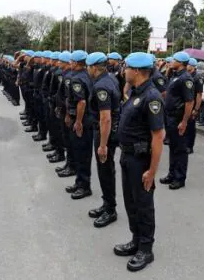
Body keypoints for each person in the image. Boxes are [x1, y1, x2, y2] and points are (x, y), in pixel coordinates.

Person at [115, 52, 164, 272]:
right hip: (127, 156)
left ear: (136, 71)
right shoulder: (136, 93)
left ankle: (146, 248)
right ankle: (136, 239)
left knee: (143, 204)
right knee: (130, 202)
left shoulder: (151, 97)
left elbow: (158, 136)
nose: (123, 71)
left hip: (140, 159)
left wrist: (152, 171)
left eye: (126, 68)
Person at [86, 52, 121, 228]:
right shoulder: (111, 78)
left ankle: (110, 210)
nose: (87, 70)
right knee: (105, 169)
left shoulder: (101, 86)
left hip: (104, 132)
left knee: (105, 170)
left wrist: (103, 145)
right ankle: (107, 203)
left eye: (88, 67)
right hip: (109, 131)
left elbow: (105, 118)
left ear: (93, 67)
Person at [159, 52, 194, 190]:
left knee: (180, 149)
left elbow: (189, 102)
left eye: (174, 60)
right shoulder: (175, 75)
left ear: (181, 62)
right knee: (173, 147)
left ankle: (179, 178)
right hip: (170, 117)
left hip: (179, 118)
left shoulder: (186, 78)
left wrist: (184, 121)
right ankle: (172, 174)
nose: (171, 61)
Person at [65, 50, 94, 200]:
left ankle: (84, 186)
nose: (70, 64)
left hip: (82, 120)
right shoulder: (87, 75)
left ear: (76, 63)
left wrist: (78, 121)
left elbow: (81, 101)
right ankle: (80, 182)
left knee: (82, 154)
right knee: (81, 153)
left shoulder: (76, 79)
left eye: (71, 61)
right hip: (88, 119)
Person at [185, 58, 203, 154]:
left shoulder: (197, 77)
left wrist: (196, 109)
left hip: (193, 105)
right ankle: (185, 144)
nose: (186, 66)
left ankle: (189, 146)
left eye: (187, 64)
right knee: (185, 126)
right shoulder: (187, 75)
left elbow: (199, 94)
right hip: (186, 104)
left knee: (191, 127)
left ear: (192, 66)